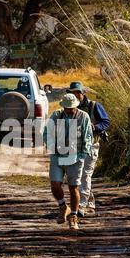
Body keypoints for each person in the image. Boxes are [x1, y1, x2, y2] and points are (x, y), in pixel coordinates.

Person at [43, 94, 93, 230]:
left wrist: (82, 155)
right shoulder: (56, 115)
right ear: (63, 106)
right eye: (67, 107)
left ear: (76, 106)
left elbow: (88, 137)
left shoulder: (83, 117)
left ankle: (73, 217)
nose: (69, 110)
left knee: (73, 187)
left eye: (71, 107)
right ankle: (63, 206)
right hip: (57, 155)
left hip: (75, 157)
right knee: (55, 185)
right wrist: (51, 147)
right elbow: (47, 132)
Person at [66, 81, 110, 217]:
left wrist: (95, 127)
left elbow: (106, 122)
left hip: (91, 145)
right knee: (77, 175)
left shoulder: (94, 106)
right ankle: (89, 201)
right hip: (74, 147)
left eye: (77, 92)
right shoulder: (67, 107)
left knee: (85, 174)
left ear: (82, 93)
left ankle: (81, 205)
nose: (75, 95)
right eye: (72, 92)